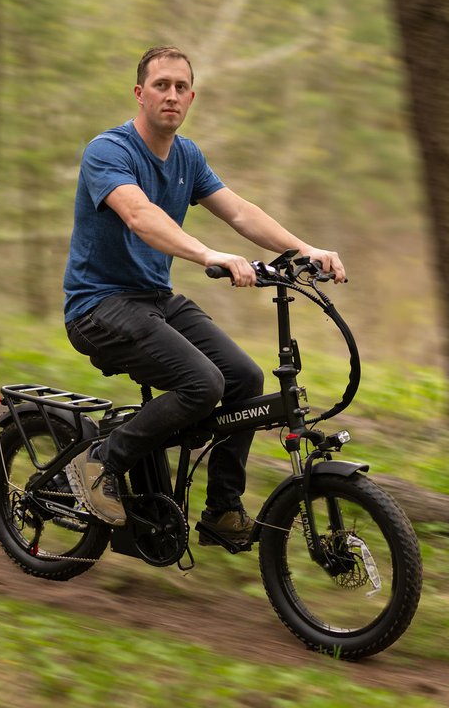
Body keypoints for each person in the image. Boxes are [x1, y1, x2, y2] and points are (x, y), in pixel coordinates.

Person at [62, 45, 345, 544]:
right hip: (99, 306)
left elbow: (239, 211)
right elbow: (139, 215)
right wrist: (208, 255)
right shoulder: (110, 151)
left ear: (191, 97)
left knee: (244, 377)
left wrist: (305, 249)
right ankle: (101, 463)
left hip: (153, 300)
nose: (171, 95)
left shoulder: (188, 156)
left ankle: (221, 509)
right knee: (203, 384)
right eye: (161, 85)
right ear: (140, 93)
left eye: (180, 87)